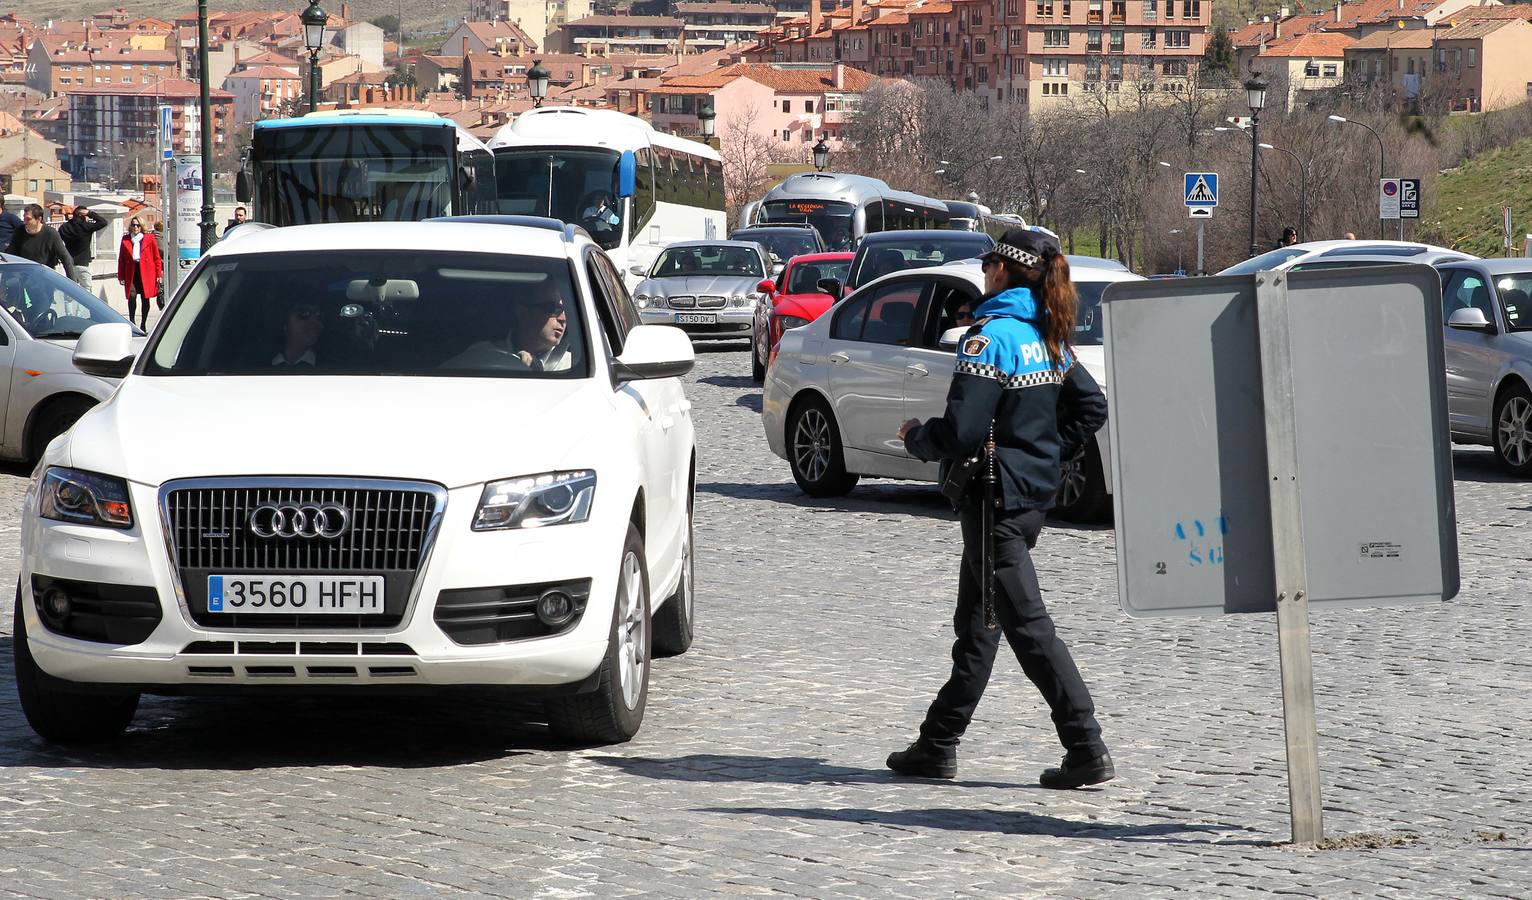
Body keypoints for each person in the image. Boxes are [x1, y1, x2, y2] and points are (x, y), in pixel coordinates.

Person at [889, 227, 1113, 790]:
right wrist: (1046, 455)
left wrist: (917, 437)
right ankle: (937, 744)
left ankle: (1086, 745)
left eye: (988, 262)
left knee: (1028, 628)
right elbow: (1090, 407)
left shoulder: (988, 339)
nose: (984, 271)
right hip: (1028, 497)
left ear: (1003, 270)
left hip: (994, 504)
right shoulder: (1046, 335)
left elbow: (961, 432)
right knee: (978, 625)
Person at [443, 281, 571, 372]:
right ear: (523, 312)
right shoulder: (482, 355)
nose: (563, 319)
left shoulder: (574, 366)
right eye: (553, 309)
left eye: (568, 311)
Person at [7, 203, 77, 281]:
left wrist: (72, 281)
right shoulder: (19, 231)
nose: (25, 222)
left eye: (28, 219)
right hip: (23, 278)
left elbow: (66, 258)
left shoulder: (50, 233)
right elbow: (10, 253)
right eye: (24, 218)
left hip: (44, 279)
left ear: (39, 219)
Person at [116, 218, 163, 330]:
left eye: (138, 225)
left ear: (142, 226)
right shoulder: (126, 239)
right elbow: (121, 258)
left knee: (145, 298)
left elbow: (156, 257)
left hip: (146, 271)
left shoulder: (149, 238)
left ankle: (143, 324)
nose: (135, 227)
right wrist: (121, 275)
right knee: (131, 295)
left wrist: (158, 274)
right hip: (132, 271)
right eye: (133, 225)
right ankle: (132, 321)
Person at [58, 204, 110, 290]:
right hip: (83, 263)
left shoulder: (64, 228)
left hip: (69, 263)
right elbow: (103, 222)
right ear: (83, 215)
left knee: (71, 290)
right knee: (86, 289)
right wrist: (90, 213)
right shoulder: (86, 226)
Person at [273, 301, 324, 366]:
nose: (315, 321)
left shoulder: (332, 366)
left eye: (319, 315)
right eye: (304, 313)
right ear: (285, 321)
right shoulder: (262, 364)